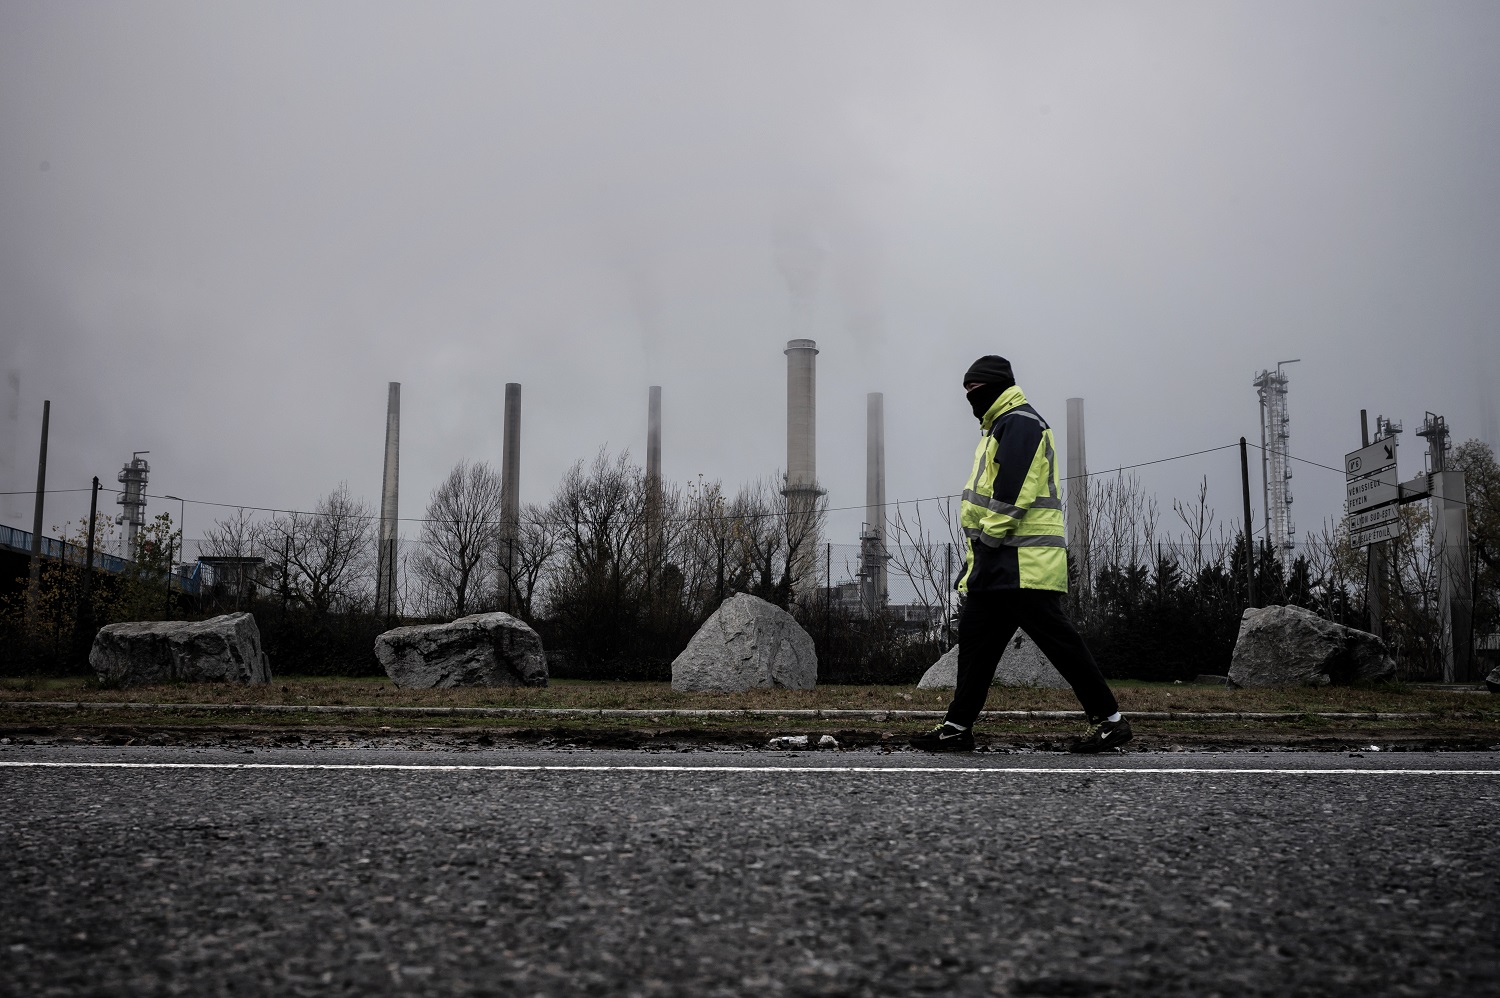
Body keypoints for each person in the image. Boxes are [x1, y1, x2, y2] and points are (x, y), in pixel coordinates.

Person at [910, 355, 1131, 753]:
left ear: (993, 386)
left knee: (1061, 644)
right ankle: (957, 728)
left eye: (973, 391)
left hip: (1021, 563)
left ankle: (1110, 721)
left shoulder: (1021, 423)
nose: (969, 399)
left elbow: (1013, 489)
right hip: (998, 564)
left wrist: (989, 540)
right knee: (976, 645)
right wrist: (981, 554)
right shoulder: (999, 425)